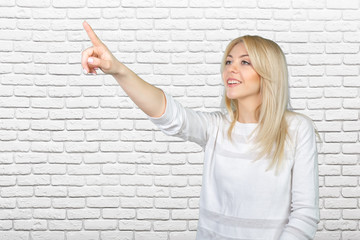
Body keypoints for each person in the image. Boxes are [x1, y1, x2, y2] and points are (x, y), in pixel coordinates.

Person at [81, 21, 319, 240]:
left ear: (268, 72)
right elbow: (169, 114)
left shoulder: (296, 129)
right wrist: (118, 70)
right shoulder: (216, 127)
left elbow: (305, 216)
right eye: (228, 61)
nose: (231, 69)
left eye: (244, 62)